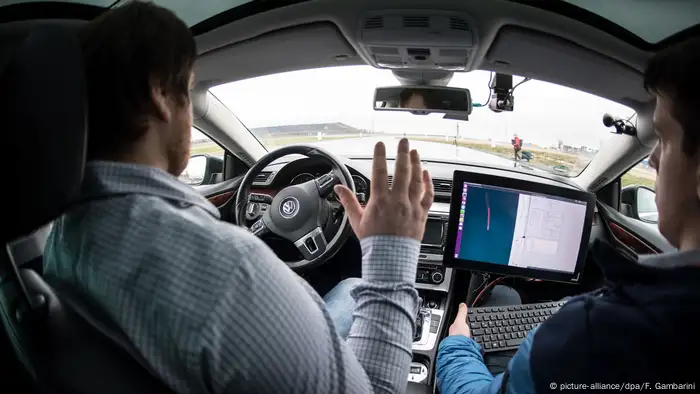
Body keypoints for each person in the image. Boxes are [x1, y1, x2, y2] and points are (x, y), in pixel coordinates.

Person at [43, 2, 435, 393]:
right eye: (189, 92)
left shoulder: (64, 235)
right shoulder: (232, 271)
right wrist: (391, 255)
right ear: (160, 94)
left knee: (350, 291)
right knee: (355, 288)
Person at [436, 36, 700, 393]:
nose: (652, 159)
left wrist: (456, 346)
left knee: (505, 300)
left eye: (664, 140)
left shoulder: (587, 334)